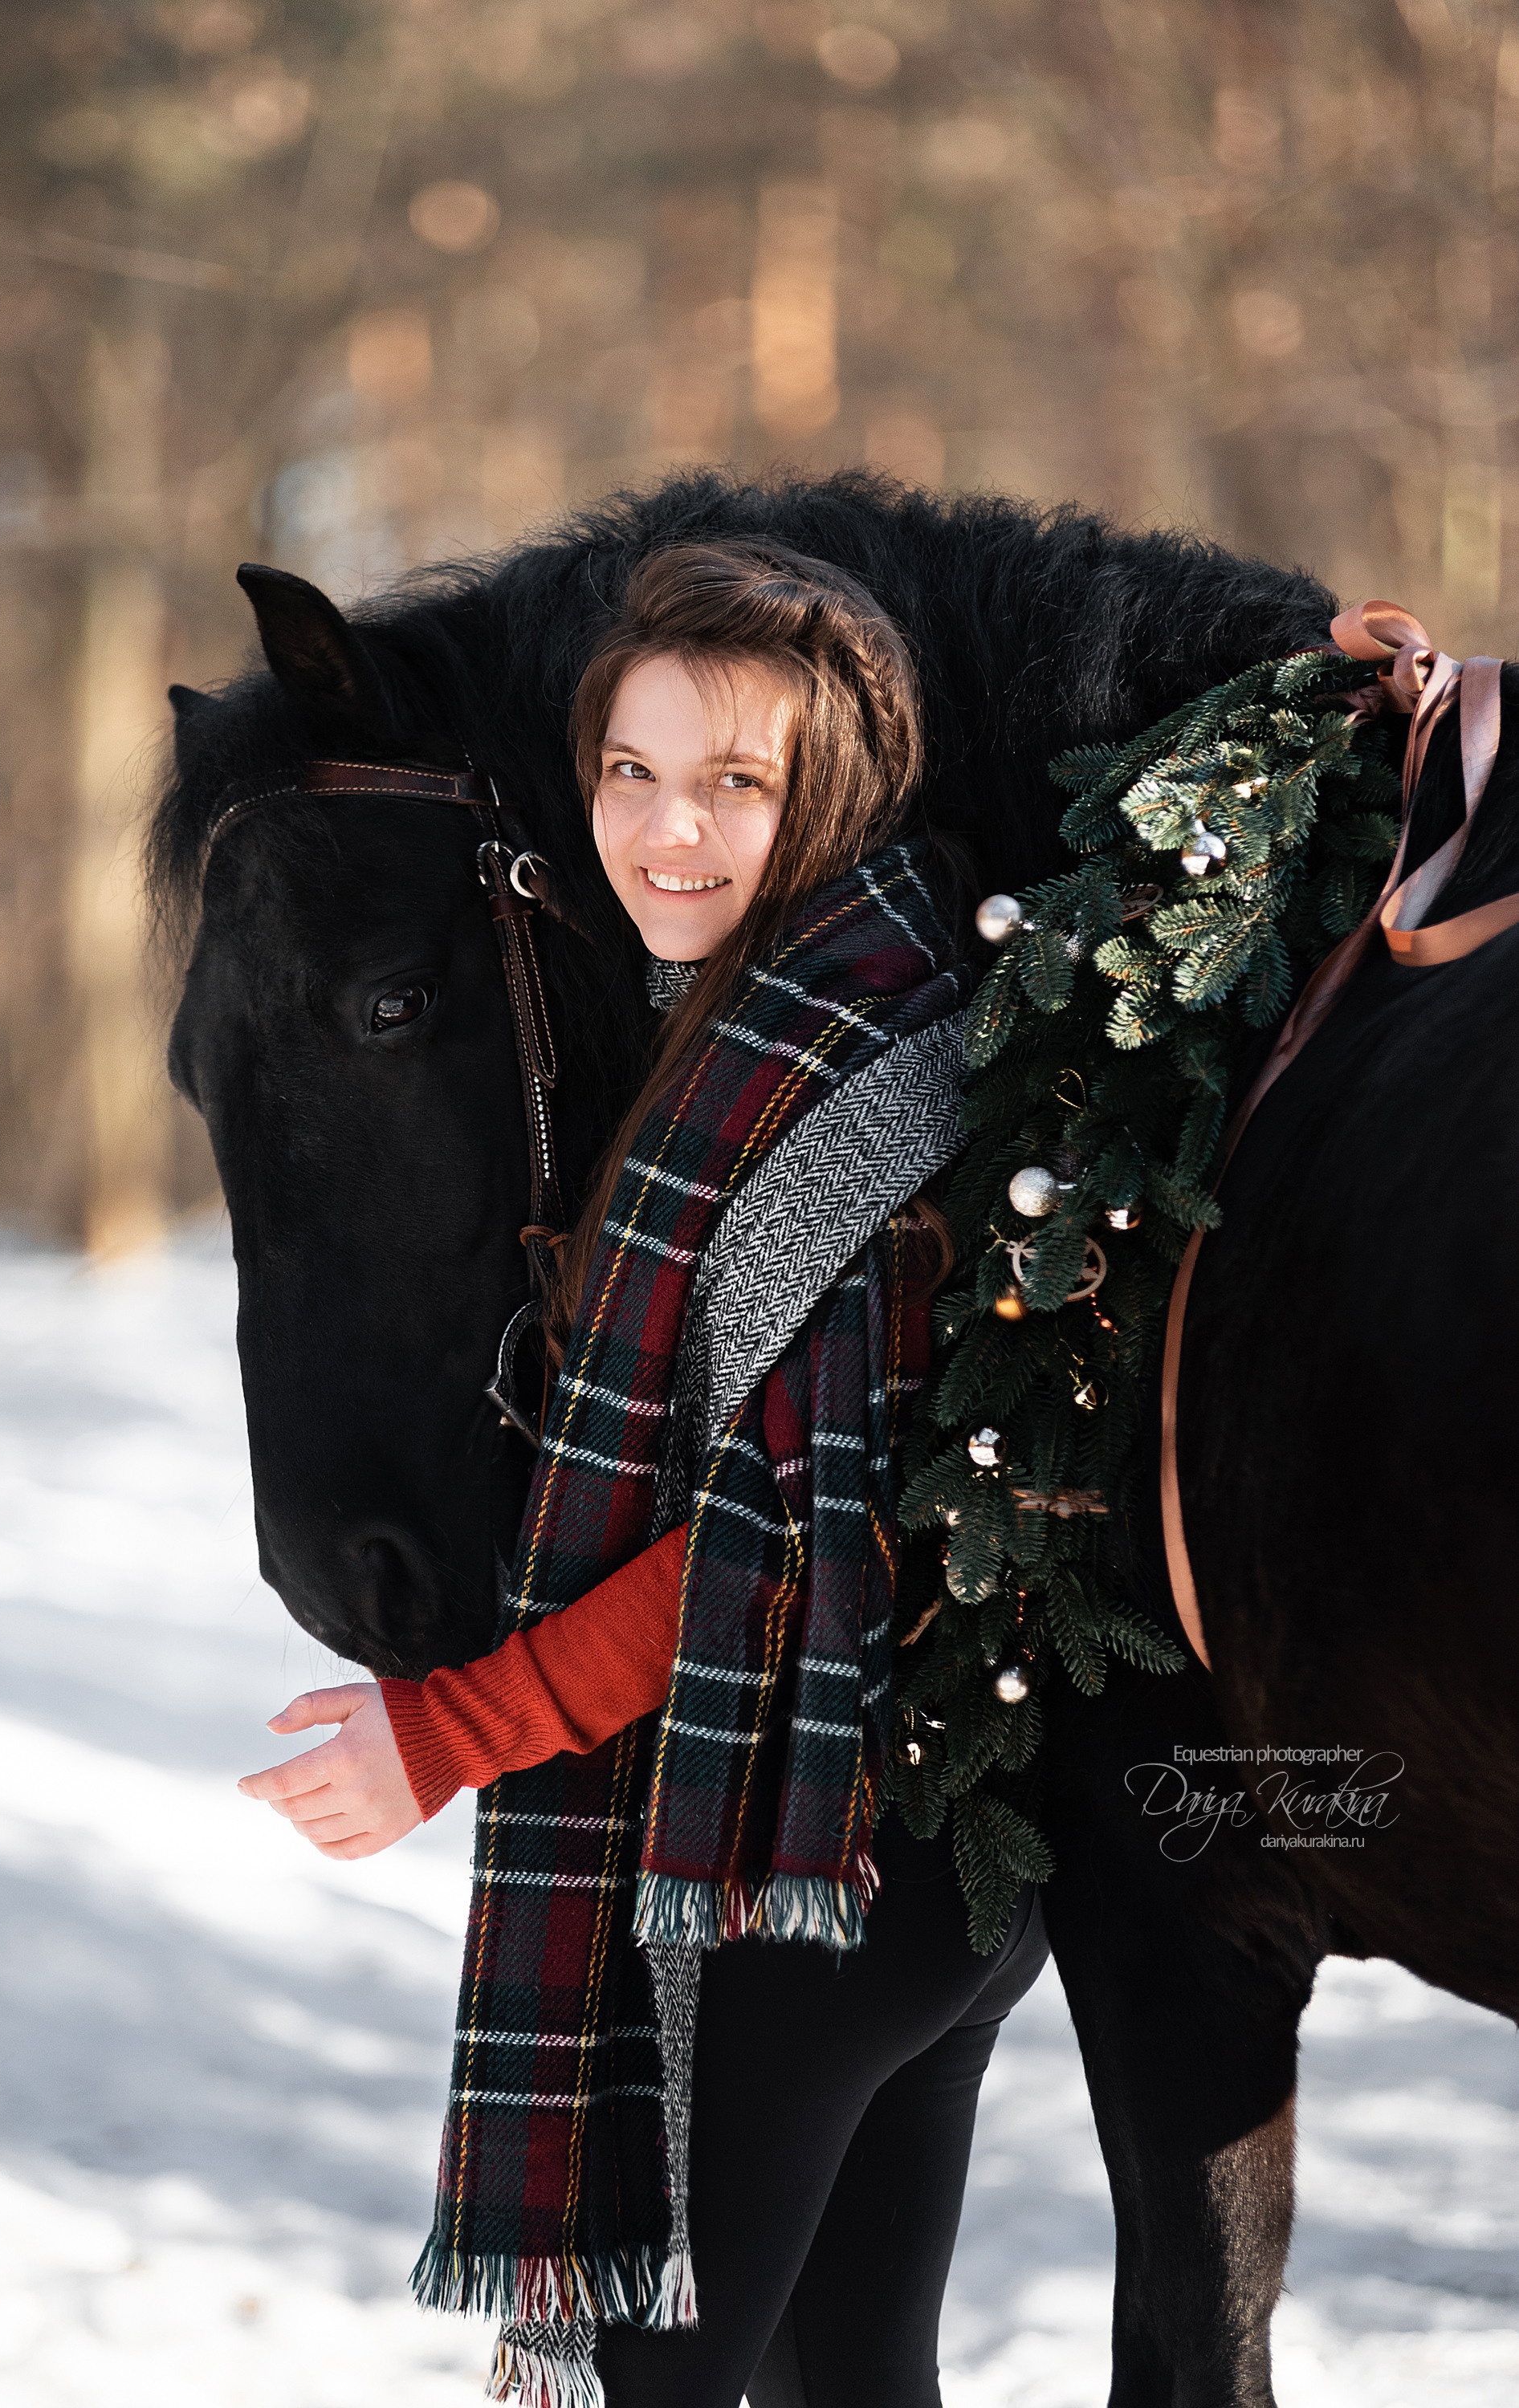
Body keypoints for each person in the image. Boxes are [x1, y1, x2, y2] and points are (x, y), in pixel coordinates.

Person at [238, 542, 1049, 2408]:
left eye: (734, 783)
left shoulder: (850, 1072)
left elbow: (770, 1551)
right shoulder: (793, 1005)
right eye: (631, 769)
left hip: (799, 1867)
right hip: (889, 1864)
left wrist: (452, 1732)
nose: (667, 830)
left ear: (831, 786)